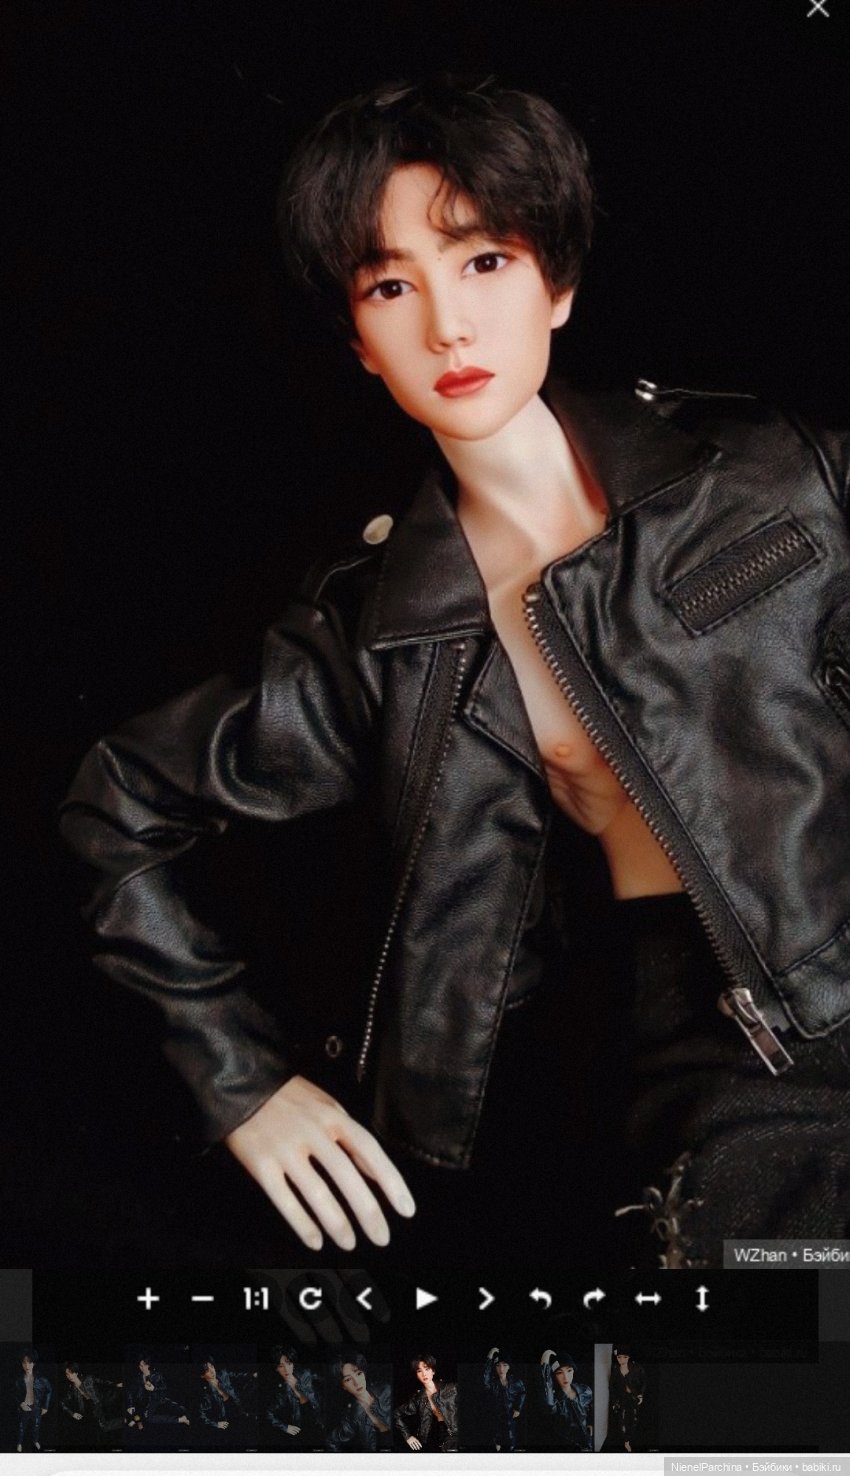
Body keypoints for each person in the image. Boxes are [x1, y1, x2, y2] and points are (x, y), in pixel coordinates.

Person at [60, 75, 850, 1268]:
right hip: (742, 1071)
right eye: (391, 285)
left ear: (558, 285)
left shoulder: (778, 474)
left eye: (483, 262)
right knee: (780, 1350)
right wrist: (238, 1080)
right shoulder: (379, 633)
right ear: (358, 342)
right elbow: (116, 805)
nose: (447, 327)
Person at [324, 1353, 391, 1453]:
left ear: (364, 1373)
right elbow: (330, 1441)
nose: (356, 1382)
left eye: (358, 1374)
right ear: (343, 1386)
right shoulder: (353, 1416)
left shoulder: (387, 1391)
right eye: (348, 1379)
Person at [393, 1354, 458, 1452]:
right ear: (416, 1374)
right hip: (437, 1439)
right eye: (419, 1371)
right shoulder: (418, 1398)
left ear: (433, 1371)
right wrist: (408, 1436)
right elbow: (396, 1414)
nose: (424, 1374)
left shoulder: (451, 1388)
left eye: (427, 1369)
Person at [264, 1345, 322, 1450]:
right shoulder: (280, 1390)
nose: (286, 1369)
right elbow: (268, 1413)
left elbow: (316, 1407)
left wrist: (297, 1387)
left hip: (317, 1428)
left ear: (293, 1363)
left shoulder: (306, 1375)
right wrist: (285, 1427)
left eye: (288, 1363)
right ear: (276, 1369)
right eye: (281, 1366)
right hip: (299, 1434)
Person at [534, 1349, 592, 1453]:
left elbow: (592, 1410)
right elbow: (548, 1405)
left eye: (569, 1370)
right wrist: (545, 1362)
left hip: (587, 1445)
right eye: (560, 1372)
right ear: (554, 1376)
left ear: (573, 1371)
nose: (566, 1377)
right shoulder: (554, 1399)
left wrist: (591, 1425)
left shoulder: (585, 1391)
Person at [196, 1357, 257, 1443]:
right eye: (207, 1370)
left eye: (212, 1367)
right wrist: (216, 1424)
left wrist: (252, 1375)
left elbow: (238, 1376)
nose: (212, 1371)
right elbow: (201, 1415)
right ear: (202, 1375)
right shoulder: (205, 1393)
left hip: (240, 1411)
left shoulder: (223, 1374)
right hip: (228, 1422)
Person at [60, 1363, 123, 1444]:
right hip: (86, 1413)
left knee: (104, 1427)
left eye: (71, 1373)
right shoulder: (71, 1389)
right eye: (67, 1374)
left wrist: (115, 1384)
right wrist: (72, 1414)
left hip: (97, 1405)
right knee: (95, 1432)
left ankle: (123, 1421)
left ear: (76, 1373)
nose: (69, 1376)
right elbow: (62, 1402)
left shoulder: (88, 1378)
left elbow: (102, 1381)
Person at [125, 1355, 190, 1431]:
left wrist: (154, 1389)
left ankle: (182, 1419)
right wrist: (130, 1405)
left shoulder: (156, 1375)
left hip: (156, 1399)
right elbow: (130, 1391)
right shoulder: (138, 1378)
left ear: (148, 1365)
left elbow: (165, 1388)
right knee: (134, 1414)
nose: (141, 1368)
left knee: (149, 1417)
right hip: (143, 1402)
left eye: (143, 1365)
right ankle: (137, 1421)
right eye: (140, 1365)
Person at [602, 1346, 647, 1453]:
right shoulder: (616, 1370)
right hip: (621, 1399)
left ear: (629, 1358)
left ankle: (631, 1439)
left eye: (625, 1357)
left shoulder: (636, 1368)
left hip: (634, 1397)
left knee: (634, 1419)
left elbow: (644, 1381)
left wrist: (640, 1395)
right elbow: (611, 1386)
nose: (621, 1360)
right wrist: (614, 1401)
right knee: (622, 1420)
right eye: (619, 1357)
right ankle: (626, 1441)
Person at [483, 1346, 525, 1452]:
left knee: (511, 1435)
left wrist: (518, 1408)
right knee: (497, 1437)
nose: (501, 1369)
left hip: (511, 1414)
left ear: (509, 1367)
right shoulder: (493, 1383)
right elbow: (485, 1379)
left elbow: (522, 1393)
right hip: (496, 1415)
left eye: (504, 1365)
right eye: (498, 1365)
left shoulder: (516, 1382)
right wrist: (489, 1358)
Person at [14, 1349, 51, 1453]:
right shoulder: (19, 1380)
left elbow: (49, 1390)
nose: (27, 1366)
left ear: (33, 1363)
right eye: (24, 1362)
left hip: (36, 1407)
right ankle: (19, 1443)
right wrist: (21, 1403)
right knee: (21, 1427)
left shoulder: (41, 1379)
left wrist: (45, 1406)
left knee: (36, 1426)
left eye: (29, 1362)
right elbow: (15, 1395)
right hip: (25, 1407)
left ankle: (35, 1441)